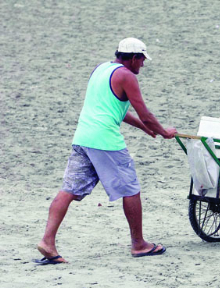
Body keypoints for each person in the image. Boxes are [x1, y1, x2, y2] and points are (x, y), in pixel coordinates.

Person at [35, 38, 177, 264]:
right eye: (141, 60)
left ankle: (47, 242)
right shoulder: (126, 76)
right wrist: (163, 131)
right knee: (131, 189)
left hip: (83, 138)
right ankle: (139, 245)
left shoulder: (100, 69)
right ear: (133, 58)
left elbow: (112, 109)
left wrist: (145, 129)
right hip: (105, 141)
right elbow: (145, 113)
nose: (142, 65)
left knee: (69, 189)